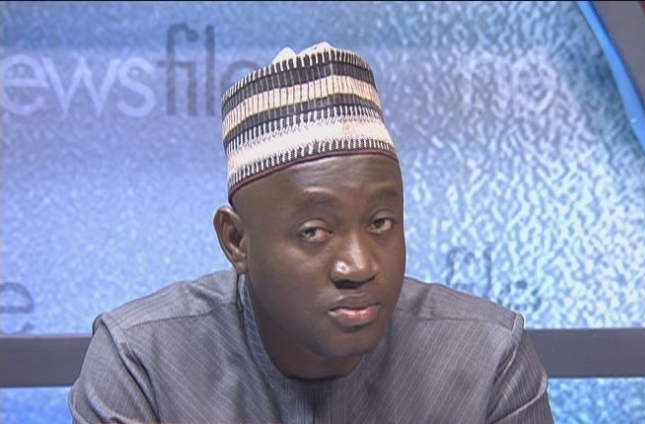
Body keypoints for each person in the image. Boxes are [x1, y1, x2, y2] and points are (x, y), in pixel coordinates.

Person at [68, 42, 554, 423]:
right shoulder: (143, 364)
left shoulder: (487, 357)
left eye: (380, 223)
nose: (359, 266)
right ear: (236, 241)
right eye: (314, 231)